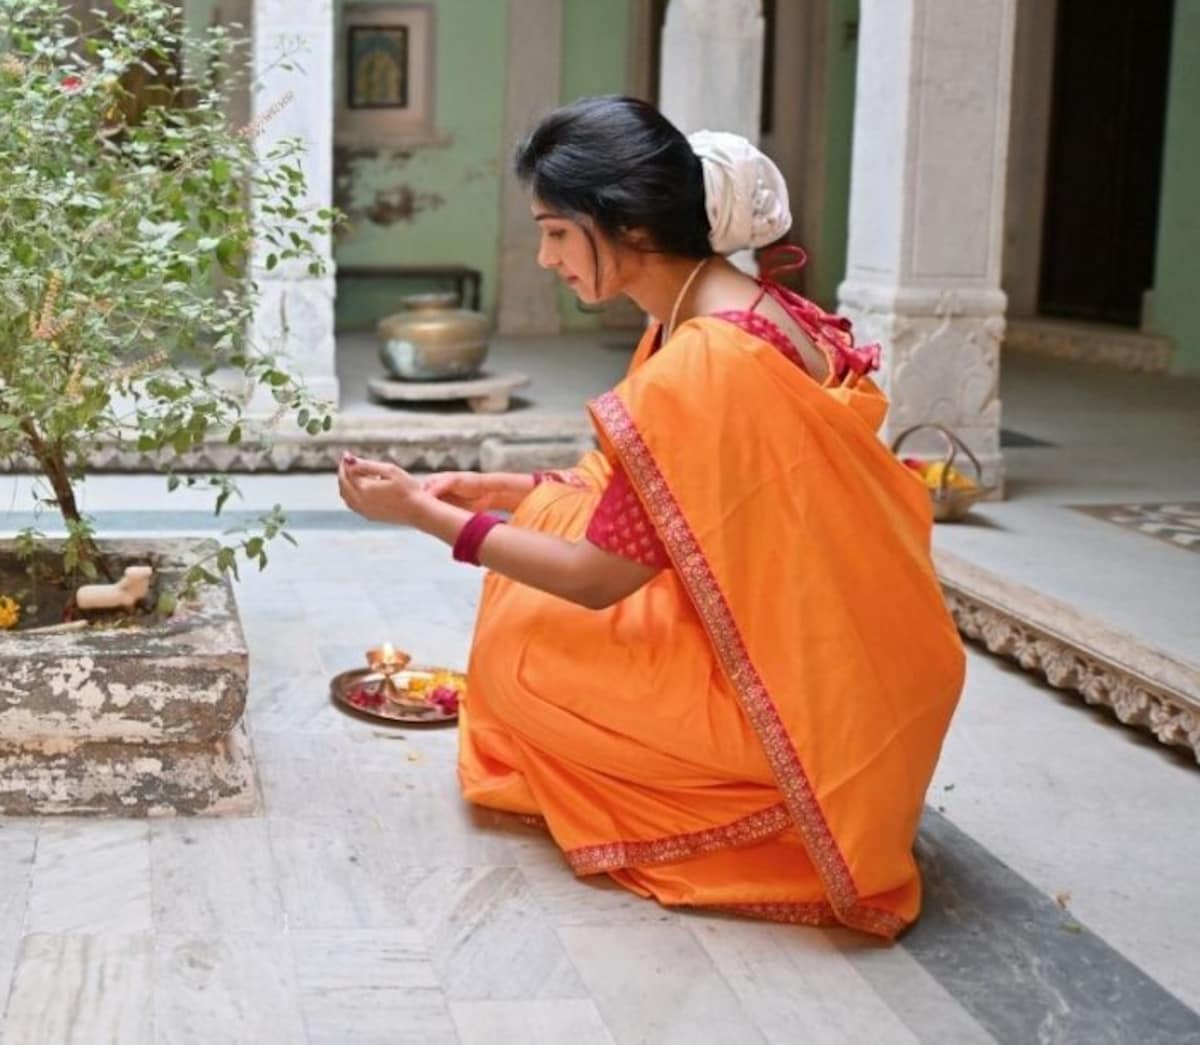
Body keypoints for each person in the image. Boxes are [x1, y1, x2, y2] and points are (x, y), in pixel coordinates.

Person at [335, 95, 964, 938]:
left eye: (558, 231)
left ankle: (759, 806)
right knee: (544, 537)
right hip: (856, 667)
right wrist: (514, 490)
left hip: (797, 703)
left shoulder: (704, 361)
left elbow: (602, 579)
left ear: (624, 220)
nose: (545, 257)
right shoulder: (739, 306)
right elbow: (665, 498)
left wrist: (424, 516)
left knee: (522, 657)